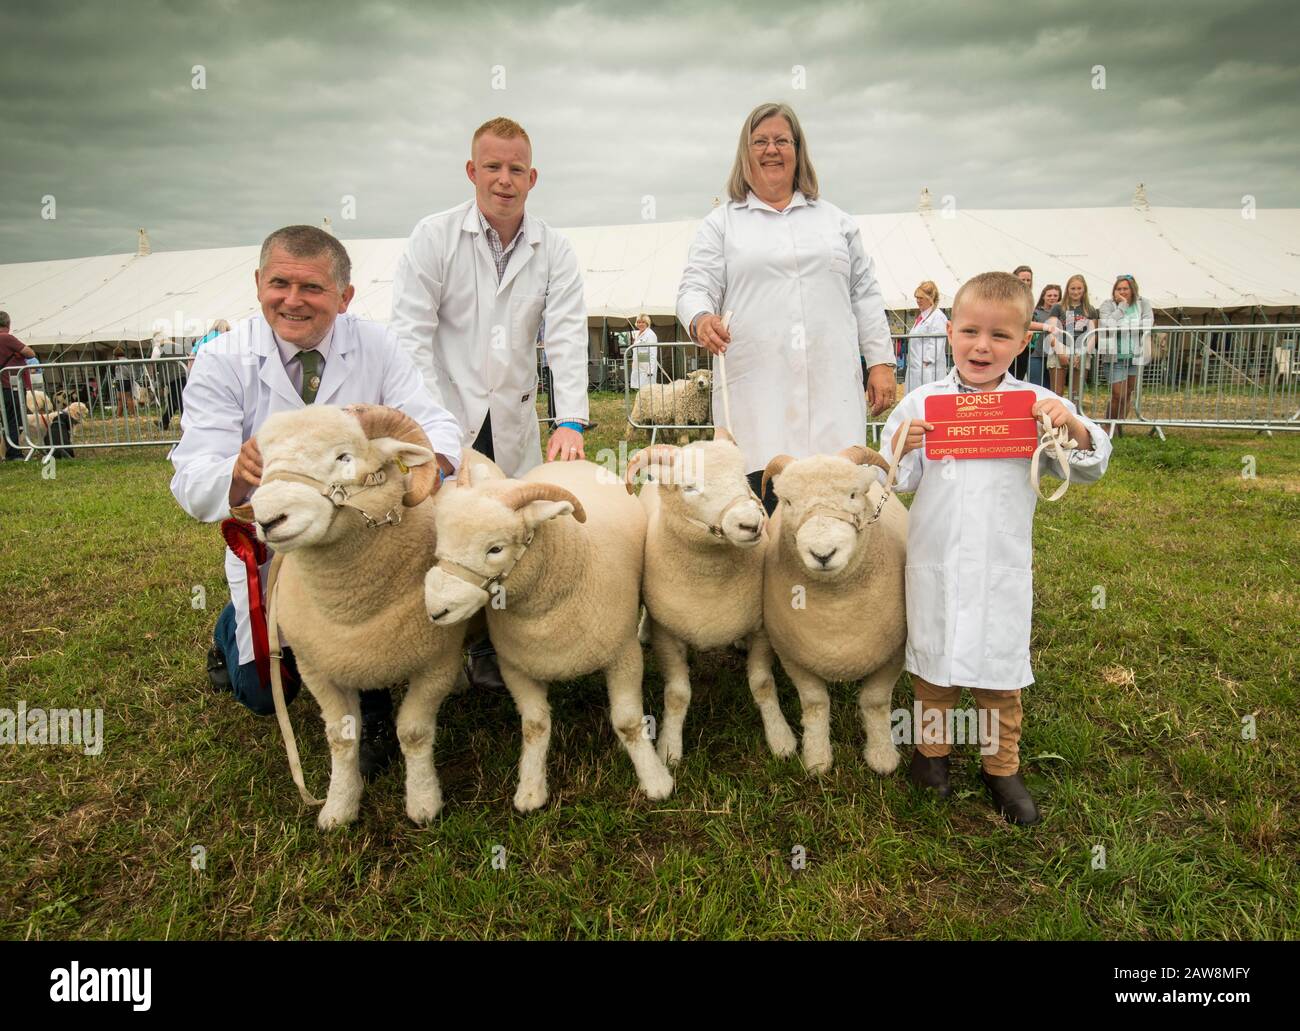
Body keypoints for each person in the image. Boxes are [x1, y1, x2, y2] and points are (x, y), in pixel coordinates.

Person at [170, 225, 462, 777]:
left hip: (356, 539)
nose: (292, 300)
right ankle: (233, 625)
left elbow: (434, 423)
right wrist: (234, 472)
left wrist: (431, 465)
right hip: (276, 537)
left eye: (312, 288)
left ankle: (371, 704)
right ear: (258, 283)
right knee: (261, 691)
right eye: (279, 283)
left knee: (367, 620)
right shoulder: (222, 359)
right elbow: (190, 475)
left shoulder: (376, 345)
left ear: (344, 297)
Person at [881, 271, 1111, 825]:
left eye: (1000, 336)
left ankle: (1001, 766)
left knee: (999, 671)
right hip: (936, 557)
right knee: (933, 665)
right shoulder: (922, 402)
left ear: (1024, 341)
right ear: (950, 332)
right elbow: (898, 478)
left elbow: (1092, 463)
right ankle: (930, 756)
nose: (982, 346)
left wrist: (1073, 426)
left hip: (1000, 563)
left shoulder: (1037, 403)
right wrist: (899, 443)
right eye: (969, 332)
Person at [390, 116, 590, 691]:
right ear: (472, 171)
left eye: (517, 169)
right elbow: (410, 333)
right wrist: (431, 426)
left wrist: (570, 419)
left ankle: (498, 647)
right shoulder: (434, 237)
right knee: (444, 532)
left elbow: (569, 334)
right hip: (444, 411)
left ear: (533, 177)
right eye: (494, 168)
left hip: (513, 418)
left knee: (510, 534)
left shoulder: (554, 249)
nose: (505, 180)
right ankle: (436, 643)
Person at [677, 101, 895, 514]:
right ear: (746, 153)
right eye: (760, 141)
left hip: (831, 385)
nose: (771, 149)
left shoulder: (836, 222)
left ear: (799, 151)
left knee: (835, 499)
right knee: (762, 497)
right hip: (758, 386)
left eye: (782, 140)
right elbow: (694, 286)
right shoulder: (722, 224)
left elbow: (865, 293)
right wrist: (701, 317)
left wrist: (881, 362)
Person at [1098, 274, 1153, 436]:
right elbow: (1107, 324)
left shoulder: (1143, 304)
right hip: (1115, 356)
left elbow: (1148, 323)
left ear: (1132, 289)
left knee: (1128, 392)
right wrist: (1121, 306)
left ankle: (1119, 425)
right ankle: (1107, 425)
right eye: (1119, 288)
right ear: (1114, 290)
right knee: (1117, 394)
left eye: (1125, 288)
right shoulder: (1107, 305)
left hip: (1136, 355)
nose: (1122, 291)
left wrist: (1122, 326)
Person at [1048, 275, 1097, 401]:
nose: (1076, 292)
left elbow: (1093, 334)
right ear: (1067, 289)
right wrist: (1060, 352)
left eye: (1079, 288)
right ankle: (1057, 420)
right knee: (1056, 392)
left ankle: (1073, 418)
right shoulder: (1058, 307)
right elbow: (1051, 331)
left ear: (1084, 289)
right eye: (1073, 288)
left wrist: (1083, 354)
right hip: (1060, 347)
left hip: (1081, 350)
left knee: (1076, 394)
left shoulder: (1090, 309)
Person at [0, 312, 37, 460]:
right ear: (8, 324)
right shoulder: (6, 338)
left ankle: (9, 450)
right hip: (11, 385)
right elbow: (30, 353)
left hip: (4, 386)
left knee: (8, 420)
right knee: (15, 419)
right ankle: (13, 453)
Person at [904, 281, 948, 394]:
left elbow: (937, 342)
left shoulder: (937, 317)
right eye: (916, 298)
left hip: (927, 369)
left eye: (921, 298)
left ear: (930, 298)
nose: (918, 301)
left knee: (927, 398)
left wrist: (927, 361)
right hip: (916, 367)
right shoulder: (922, 317)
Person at [1010, 266, 1051, 381]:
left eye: (1028, 280)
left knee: (1018, 378)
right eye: (1023, 280)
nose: (1026, 283)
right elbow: (1021, 322)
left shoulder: (1028, 298)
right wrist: (1045, 326)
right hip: (1010, 342)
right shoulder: (1010, 297)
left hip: (1024, 345)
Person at [150, 331, 187, 430]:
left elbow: (152, 363)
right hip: (184, 375)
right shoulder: (179, 346)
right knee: (172, 401)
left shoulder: (158, 348)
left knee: (179, 402)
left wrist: (156, 380)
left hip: (172, 377)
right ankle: (164, 422)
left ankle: (188, 425)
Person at [1030, 284, 1062, 388]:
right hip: (1037, 354)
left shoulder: (1063, 312)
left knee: (1052, 387)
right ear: (1043, 296)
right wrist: (1046, 327)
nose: (1052, 298)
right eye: (1049, 295)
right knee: (1036, 386)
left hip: (1055, 355)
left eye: (1055, 295)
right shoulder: (1036, 312)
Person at [628, 313, 660, 389]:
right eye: (639, 322)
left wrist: (651, 370)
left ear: (647, 323)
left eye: (643, 322)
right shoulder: (637, 334)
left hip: (647, 366)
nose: (640, 324)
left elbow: (653, 353)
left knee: (648, 388)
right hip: (638, 364)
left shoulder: (650, 334)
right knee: (640, 387)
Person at [112, 346, 138, 417]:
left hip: (122, 381)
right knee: (124, 399)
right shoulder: (125, 360)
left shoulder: (120, 361)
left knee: (124, 399)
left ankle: (125, 414)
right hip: (123, 381)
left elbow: (127, 371)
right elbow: (129, 372)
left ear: (116, 354)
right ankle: (127, 414)